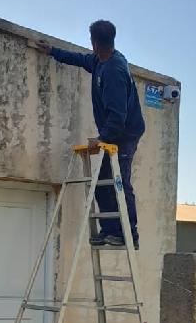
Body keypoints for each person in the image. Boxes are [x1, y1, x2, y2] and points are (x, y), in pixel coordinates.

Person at [34, 20, 145, 249]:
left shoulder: (114, 70)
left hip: (124, 134)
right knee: (103, 185)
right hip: (114, 133)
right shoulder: (99, 60)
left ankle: (129, 235)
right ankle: (112, 231)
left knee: (119, 183)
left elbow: (118, 116)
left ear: (94, 42)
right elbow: (80, 59)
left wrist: (102, 139)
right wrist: (53, 51)